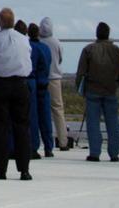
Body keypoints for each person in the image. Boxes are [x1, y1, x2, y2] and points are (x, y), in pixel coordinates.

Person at [0, 7, 32, 181]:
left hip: (1, 84)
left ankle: (1, 169)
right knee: (22, 127)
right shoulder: (24, 40)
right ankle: (24, 169)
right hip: (21, 84)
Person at [75, 21, 119, 162]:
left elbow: (81, 71)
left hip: (93, 90)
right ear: (108, 34)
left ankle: (95, 153)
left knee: (93, 123)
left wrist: (79, 87)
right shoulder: (117, 51)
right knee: (113, 122)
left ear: (96, 34)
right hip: (110, 90)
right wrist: (117, 83)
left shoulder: (88, 49)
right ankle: (114, 153)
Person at [38, 17, 69, 151]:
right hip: (55, 79)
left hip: (41, 79)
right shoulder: (56, 43)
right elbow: (60, 59)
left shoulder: (38, 42)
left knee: (40, 111)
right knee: (58, 110)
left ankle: (40, 141)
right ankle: (63, 141)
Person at [27, 23, 53, 158]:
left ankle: (34, 146)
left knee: (33, 118)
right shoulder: (46, 48)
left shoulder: (30, 48)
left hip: (33, 85)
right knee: (46, 118)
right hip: (44, 84)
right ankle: (49, 147)